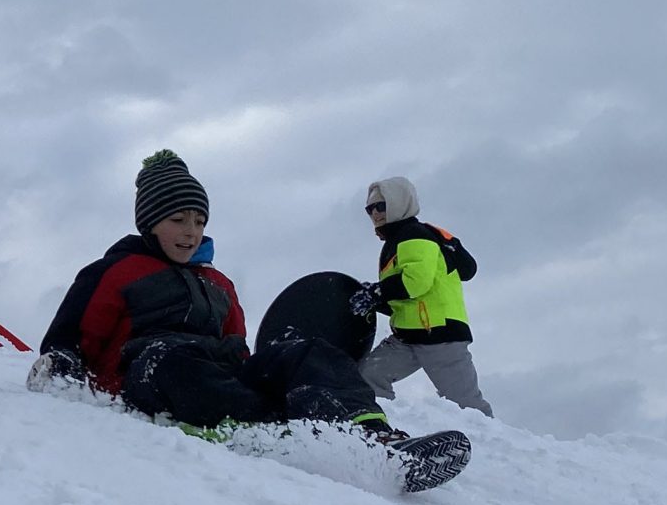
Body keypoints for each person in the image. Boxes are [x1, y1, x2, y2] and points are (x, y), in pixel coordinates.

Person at [29, 150, 411, 446]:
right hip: (150, 374)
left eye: (199, 221)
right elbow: (71, 337)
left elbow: (237, 347)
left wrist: (267, 373)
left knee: (308, 350)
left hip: (218, 377)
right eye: (177, 220)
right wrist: (62, 364)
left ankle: (367, 430)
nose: (190, 232)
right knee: (170, 358)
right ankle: (266, 426)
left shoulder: (218, 283)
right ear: (149, 223)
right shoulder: (115, 271)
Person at [352, 176, 492, 415]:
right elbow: (405, 298)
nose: (374, 213)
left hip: (440, 335)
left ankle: (489, 447)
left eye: (381, 206)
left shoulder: (413, 235)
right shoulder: (397, 240)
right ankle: (379, 430)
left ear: (399, 202)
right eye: (370, 209)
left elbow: (416, 283)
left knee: (467, 405)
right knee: (368, 378)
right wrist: (374, 300)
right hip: (409, 337)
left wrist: (376, 293)